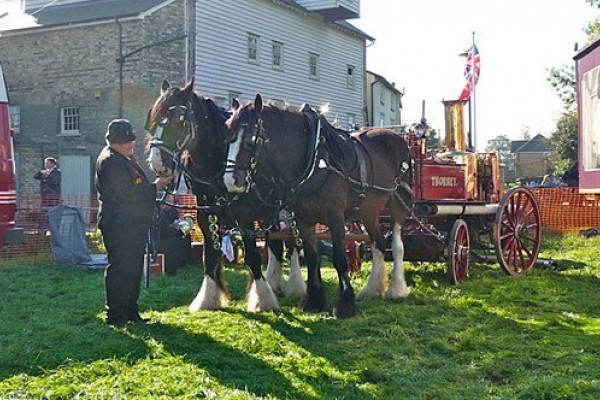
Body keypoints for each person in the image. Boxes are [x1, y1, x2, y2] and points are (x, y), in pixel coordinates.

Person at [95, 118, 171, 326]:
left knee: (134, 268)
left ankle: (131, 311)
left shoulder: (124, 158)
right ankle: (116, 315)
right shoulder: (110, 161)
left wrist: (153, 198)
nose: (131, 144)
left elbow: (137, 188)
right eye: (126, 142)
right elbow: (127, 194)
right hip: (118, 225)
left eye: (131, 140)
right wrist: (155, 187)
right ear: (114, 142)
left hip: (131, 223)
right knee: (121, 269)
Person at [156, 194, 192, 275]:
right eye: (169, 202)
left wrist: (181, 226)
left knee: (186, 236)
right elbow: (163, 230)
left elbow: (176, 220)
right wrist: (174, 228)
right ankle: (171, 268)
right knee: (174, 242)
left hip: (173, 232)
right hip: (162, 238)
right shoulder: (158, 213)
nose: (170, 205)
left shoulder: (173, 211)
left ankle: (185, 262)